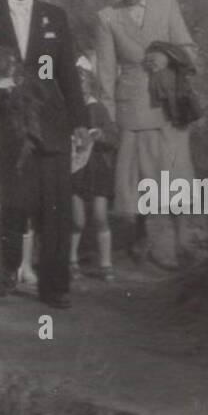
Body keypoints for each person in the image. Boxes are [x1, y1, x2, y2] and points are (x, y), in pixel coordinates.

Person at [0, 0, 89, 308]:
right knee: (12, 203)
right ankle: (7, 269)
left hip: (51, 123)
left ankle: (54, 286)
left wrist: (81, 123)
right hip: (7, 122)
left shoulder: (54, 16)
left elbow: (68, 73)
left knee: (55, 207)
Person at [96, 0, 198, 271]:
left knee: (174, 169)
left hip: (168, 103)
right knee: (140, 175)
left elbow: (190, 49)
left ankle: (182, 240)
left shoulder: (167, 6)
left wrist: (167, 59)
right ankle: (143, 238)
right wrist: (107, 113)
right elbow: (105, 69)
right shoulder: (107, 17)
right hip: (133, 104)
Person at [70, 55, 117, 281]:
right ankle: (71, 260)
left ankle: (106, 263)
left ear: (90, 84)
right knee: (76, 219)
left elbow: (112, 138)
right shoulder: (65, 108)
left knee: (100, 215)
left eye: (83, 83)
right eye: (74, 83)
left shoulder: (98, 108)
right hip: (75, 168)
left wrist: (100, 135)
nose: (80, 88)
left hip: (97, 167)